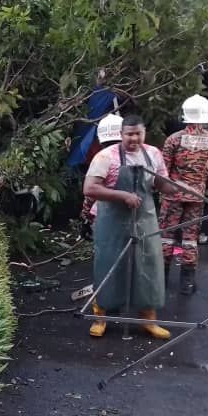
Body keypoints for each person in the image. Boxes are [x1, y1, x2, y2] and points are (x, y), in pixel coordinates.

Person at [84, 115, 174, 340]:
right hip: (112, 221)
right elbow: (90, 188)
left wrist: (176, 186)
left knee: (148, 266)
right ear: (121, 134)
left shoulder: (153, 154)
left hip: (145, 218)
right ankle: (100, 317)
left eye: (138, 134)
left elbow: (161, 183)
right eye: (129, 134)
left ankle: (148, 320)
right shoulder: (106, 156)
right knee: (108, 265)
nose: (134, 138)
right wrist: (122, 195)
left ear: (144, 133)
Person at [158, 95, 208, 295]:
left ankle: (161, 279)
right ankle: (187, 282)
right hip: (197, 197)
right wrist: (207, 189)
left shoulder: (173, 139)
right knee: (190, 238)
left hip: (172, 195)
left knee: (166, 236)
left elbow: (163, 170)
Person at [79, 113, 124, 239]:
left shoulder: (102, 159)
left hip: (107, 217)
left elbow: (91, 194)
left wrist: (85, 219)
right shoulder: (139, 156)